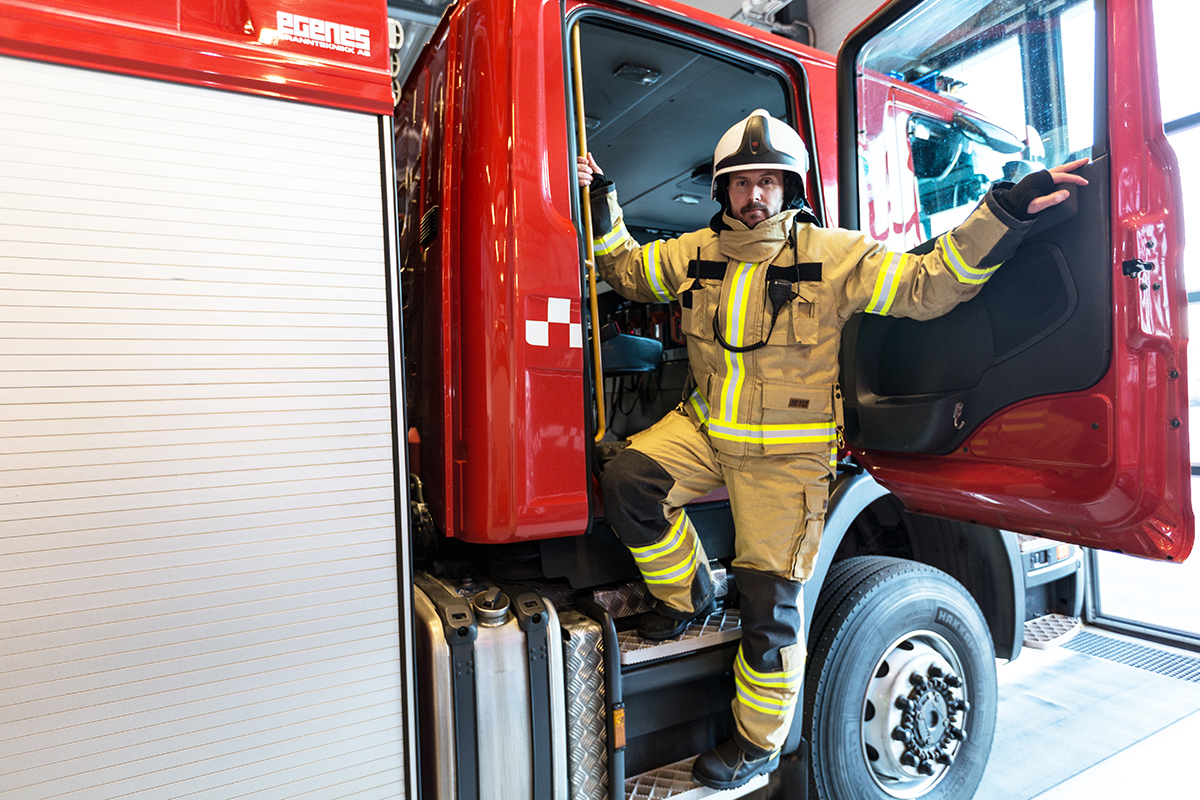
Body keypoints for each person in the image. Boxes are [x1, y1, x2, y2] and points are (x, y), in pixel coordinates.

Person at [578, 109, 1087, 790]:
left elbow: (929, 284)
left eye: (768, 181)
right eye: (741, 183)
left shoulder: (833, 253)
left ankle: (757, 746)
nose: (754, 195)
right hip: (705, 429)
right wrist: (602, 198)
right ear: (723, 192)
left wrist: (1005, 211)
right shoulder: (693, 251)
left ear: (789, 189)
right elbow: (627, 271)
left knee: (770, 612)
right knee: (628, 479)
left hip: (786, 459)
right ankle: (689, 596)